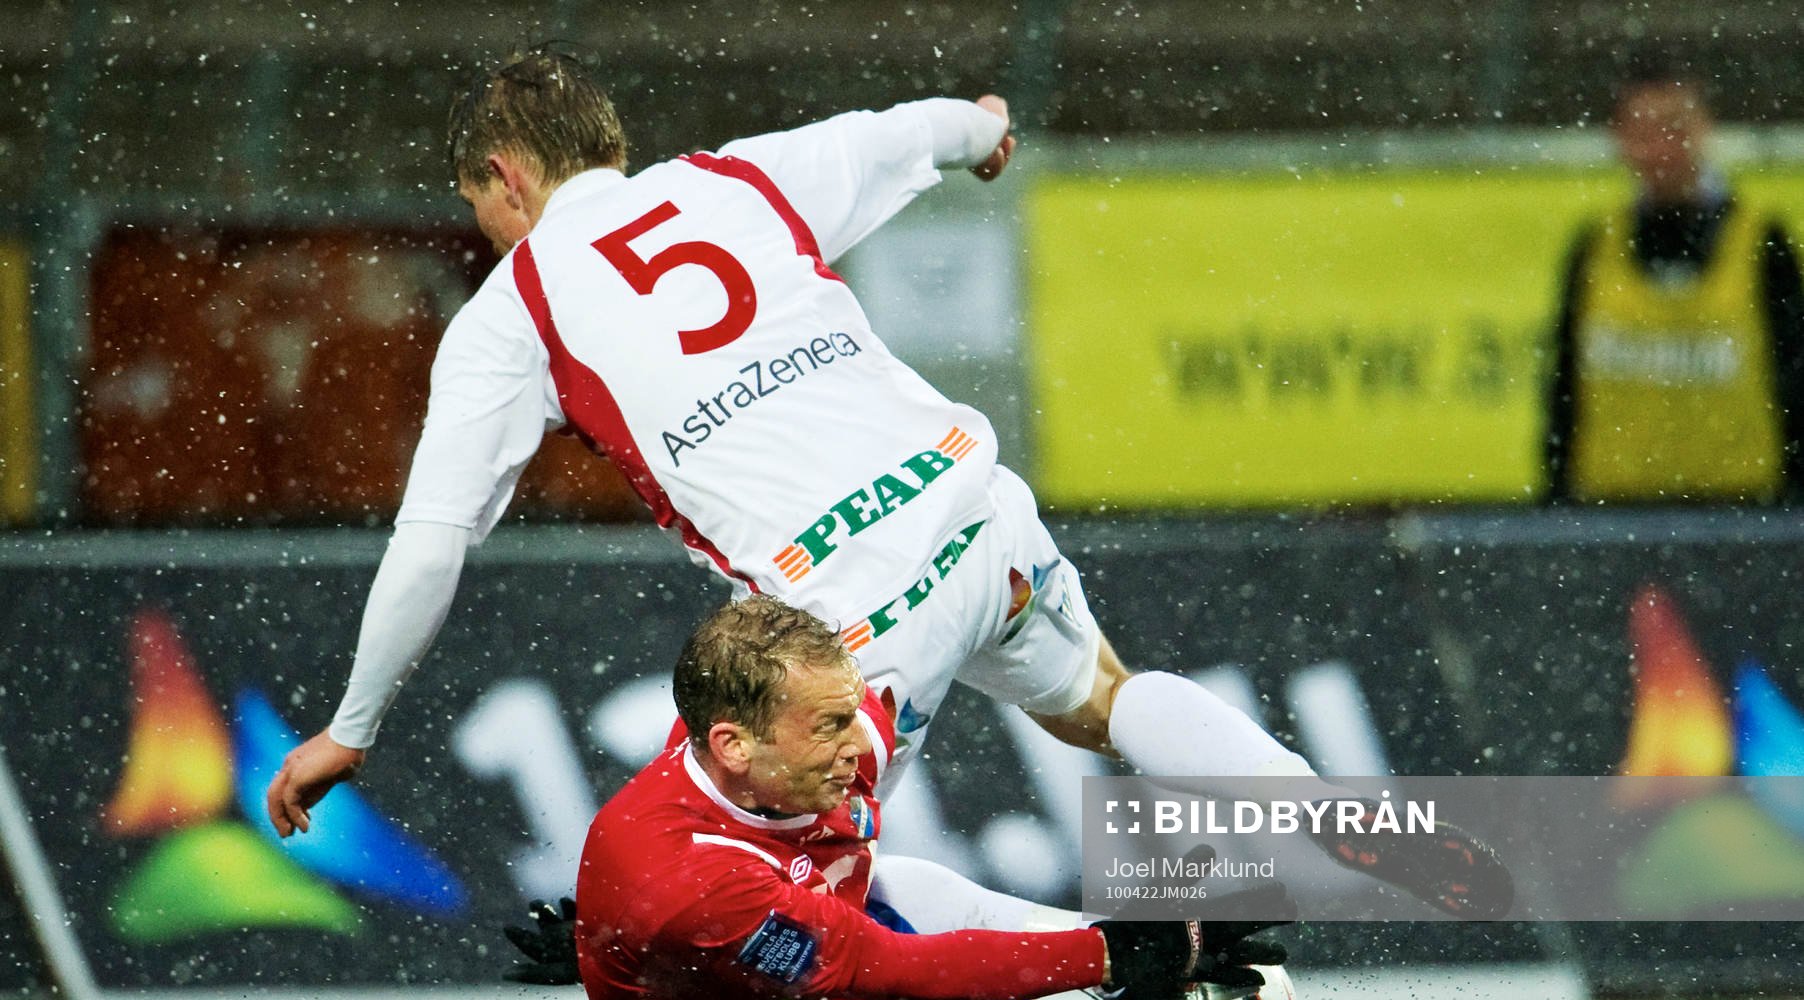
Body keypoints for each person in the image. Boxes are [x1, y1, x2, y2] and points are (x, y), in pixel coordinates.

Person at [263, 45, 1507, 920]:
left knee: (795, 893)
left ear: (507, 177)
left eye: (475, 200)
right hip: (968, 500)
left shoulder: (512, 312)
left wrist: (352, 725)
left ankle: (1107, 979)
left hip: (848, 610)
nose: (481, 225)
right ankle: (1365, 826)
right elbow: (914, 132)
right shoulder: (733, 181)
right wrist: (984, 128)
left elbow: (432, 545)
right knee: (1101, 698)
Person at [545, 596, 1290, 1000]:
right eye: (829, 725)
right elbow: (895, 971)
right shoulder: (691, 879)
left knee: (923, 909)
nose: (859, 747)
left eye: (852, 711)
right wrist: (1114, 954)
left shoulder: (788, 750)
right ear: (732, 744)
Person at [1546, 64, 1804, 502]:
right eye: (1642, 131)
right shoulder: (1595, 246)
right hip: (1612, 508)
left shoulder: (1761, 243)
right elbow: (1564, 387)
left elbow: (1795, 377)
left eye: (1673, 129)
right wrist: (1557, 497)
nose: (1659, 148)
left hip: (1739, 511)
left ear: (1703, 131)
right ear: (1620, 140)